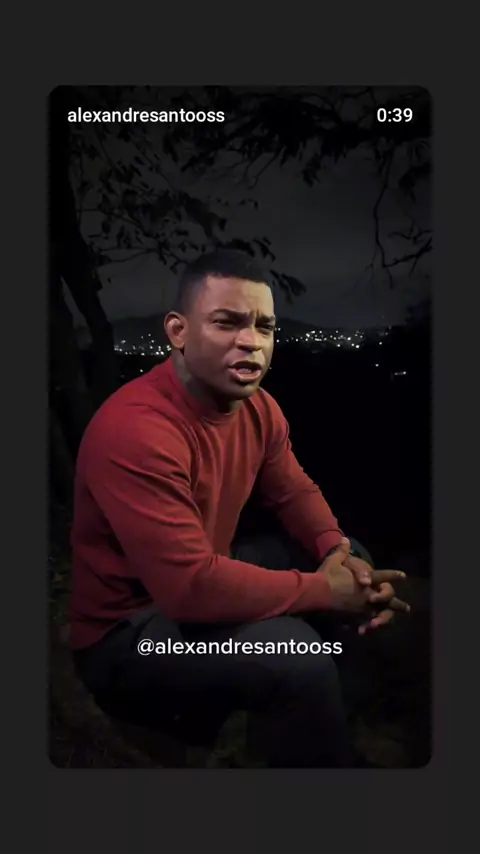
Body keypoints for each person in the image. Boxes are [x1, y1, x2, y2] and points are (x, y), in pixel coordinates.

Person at [69, 250, 410, 767]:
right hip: (127, 637)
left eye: (264, 326)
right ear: (178, 331)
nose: (251, 341)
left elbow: (293, 492)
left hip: (198, 579)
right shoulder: (137, 429)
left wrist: (336, 553)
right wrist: (326, 591)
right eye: (227, 323)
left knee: (352, 557)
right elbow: (191, 587)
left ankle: (321, 736)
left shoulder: (258, 408)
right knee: (297, 656)